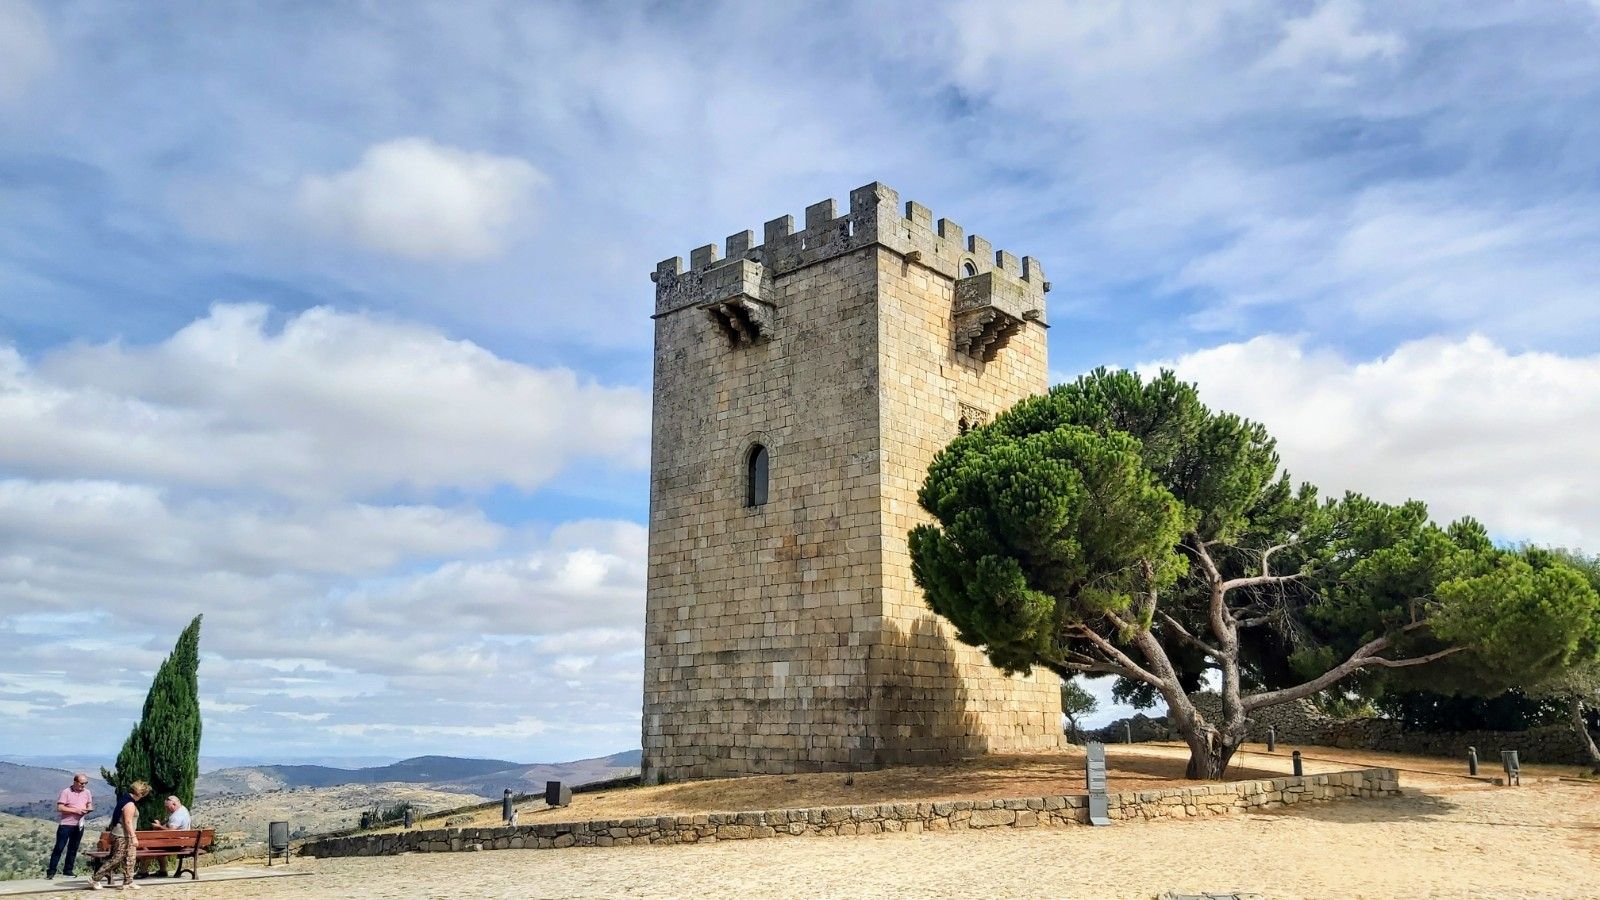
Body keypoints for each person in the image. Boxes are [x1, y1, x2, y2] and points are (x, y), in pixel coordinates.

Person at [90, 780, 149, 891]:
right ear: (141, 793)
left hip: (124, 834)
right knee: (117, 859)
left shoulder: (125, 799)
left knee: (130, 858)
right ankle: (95, 879)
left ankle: (128, 881)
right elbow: (127, 822)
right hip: (123, 835)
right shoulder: (130, 804)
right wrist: (133, 837)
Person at [44, 773, 94, 880]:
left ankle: (68, 870)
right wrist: (75, 810)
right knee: (59, 848)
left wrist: (88, 809)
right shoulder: (66, 792)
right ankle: (51, 871)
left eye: (85, 783)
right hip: (66, 824)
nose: (83, 785)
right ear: (75, 782)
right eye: (81, 783)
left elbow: (89, 804)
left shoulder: (87, 792)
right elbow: (60, 807)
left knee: (73, 848)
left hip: (79, 824)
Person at [141, 796, 192, 878]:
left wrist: (159, 827)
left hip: (176, 844)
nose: (166, 809)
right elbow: (170, 828)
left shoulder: (177, 815)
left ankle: (143, 871)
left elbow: (171, 831)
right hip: (181, 842)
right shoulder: (183, 809)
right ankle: (162, 871)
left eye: (167, 807)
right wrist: (160, 825)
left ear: (174, 804)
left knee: (148, 845)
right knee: (158, 845)